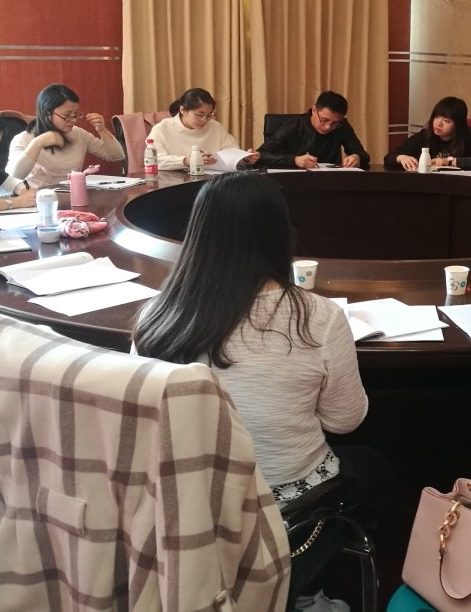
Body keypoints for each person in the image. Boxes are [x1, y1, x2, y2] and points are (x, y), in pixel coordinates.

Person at [132, 172, 382, 612]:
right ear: (280, 235)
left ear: (197, 233)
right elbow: (345, 420)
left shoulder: (157, 316)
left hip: (186, 507)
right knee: (375, 468)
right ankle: (303, 592)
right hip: (285, 511)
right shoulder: (318, 317)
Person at [6, 83, 125, 187]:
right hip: (40, 198)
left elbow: (116, 156)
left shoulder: (78, 134)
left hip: (73, 194)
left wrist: (102, 130)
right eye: (67, 115)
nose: (73, 120)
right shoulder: (24, 139)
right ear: (48, 113)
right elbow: (14, 177)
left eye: (76, 114)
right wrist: (38, 143)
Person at [146, 87, 255, 171]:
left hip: (210, 181)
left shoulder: (215, 127)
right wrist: (187, 161)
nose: (205, 120)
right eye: (200, 115)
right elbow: (154, 161)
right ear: (183, 110)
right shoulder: (162, 129)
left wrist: (243, 158)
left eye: (209, 115)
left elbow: (231, 153)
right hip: (173, 182)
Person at [256, 91, 369, 170]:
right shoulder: (291, 127)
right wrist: (294, 160)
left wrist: (357, 157)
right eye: (324, 120)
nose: (328, 127)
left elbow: (363, 155)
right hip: (293, 183)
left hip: (330, 182)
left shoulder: (343, 126)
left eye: (335, 123)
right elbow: (260, 156)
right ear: (314, 110)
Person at [384, 96, 471, 171]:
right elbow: (388, 158)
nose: (438, 123)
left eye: (446, 121)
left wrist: (447, 161)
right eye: (436, 117)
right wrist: (401, 157)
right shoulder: (425, 135)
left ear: (458, 124)